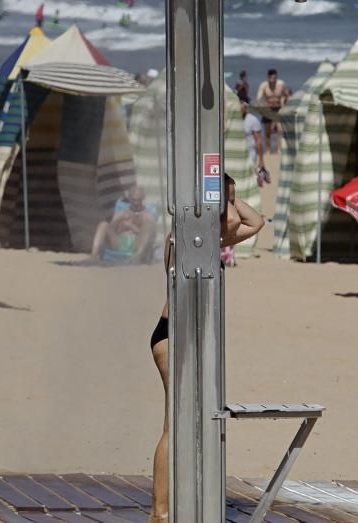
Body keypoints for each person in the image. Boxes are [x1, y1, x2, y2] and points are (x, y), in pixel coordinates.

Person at [149, 175, 264, 521]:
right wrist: (221, 194)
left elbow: (255, 222)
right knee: (174, 425)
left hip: (189, 334)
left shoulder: (208, 239)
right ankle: (158, 512)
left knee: (195, 424)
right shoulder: (186, 236)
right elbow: (233, 219)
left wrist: (231, 191)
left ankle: (179, 503)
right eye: (225, 201)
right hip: (173, 334)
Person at [88, 185, 155, 264]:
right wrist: (118, 223)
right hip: (119, 243)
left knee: (149, 225)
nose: (136, 203)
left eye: (139, 200)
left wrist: (132, 227)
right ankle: (93, 255)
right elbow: (110, 229)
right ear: (129, 199)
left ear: (143, 199)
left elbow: (151, 235)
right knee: (103, 224)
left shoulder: (147, 215)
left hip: (136, 244)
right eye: (133, 200)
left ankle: (137, 256)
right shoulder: (122, 213)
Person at [256, 69, 289, 154]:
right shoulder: (263, 85)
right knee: (268, 131)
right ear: (268, 78)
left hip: (278, 109)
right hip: (268, 109)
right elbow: (259, 98)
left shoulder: (281, 84)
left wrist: (285, 103)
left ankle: (279, 149)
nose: (273, 81)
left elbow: (287, 95)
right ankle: (268, 149)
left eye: (275, 78)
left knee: (280, 130)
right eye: (272, 78)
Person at [241, 102, 265, 178]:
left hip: (250, 156)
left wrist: (261, 160)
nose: (240, 106)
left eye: (242, 104)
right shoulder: (231, 119)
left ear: (246, 106)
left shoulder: (253, 120)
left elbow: (258, 141)